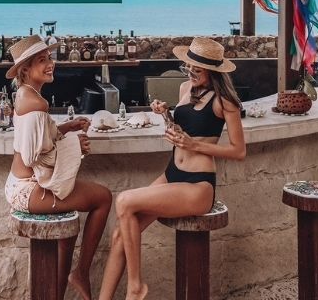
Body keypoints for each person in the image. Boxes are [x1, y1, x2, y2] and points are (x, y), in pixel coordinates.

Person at [99, 37, 247, 300]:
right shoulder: (184, 88)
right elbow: (183, 131)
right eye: (187, 67)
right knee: (120, 234)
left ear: (212, 71)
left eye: (196, 70)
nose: (190, 73)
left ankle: (136, 287)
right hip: (172, 174)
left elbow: (238, 151)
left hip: (197, 185)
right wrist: (165, 116)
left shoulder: (225, 102)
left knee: (123, 201)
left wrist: (194, 145)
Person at [3, 35, 112, 299]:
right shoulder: (36, 103)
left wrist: (67, 128)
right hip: (30, 190)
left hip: (18, 185)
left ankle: (58, 292)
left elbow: (36, 138)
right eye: (42, 60)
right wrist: (75, 145)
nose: (50, 64)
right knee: (103, 198)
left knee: (70, 225)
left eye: (50, 58)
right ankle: (81, 272)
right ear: (25, 69)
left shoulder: (27, 94)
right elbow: (33, 157)